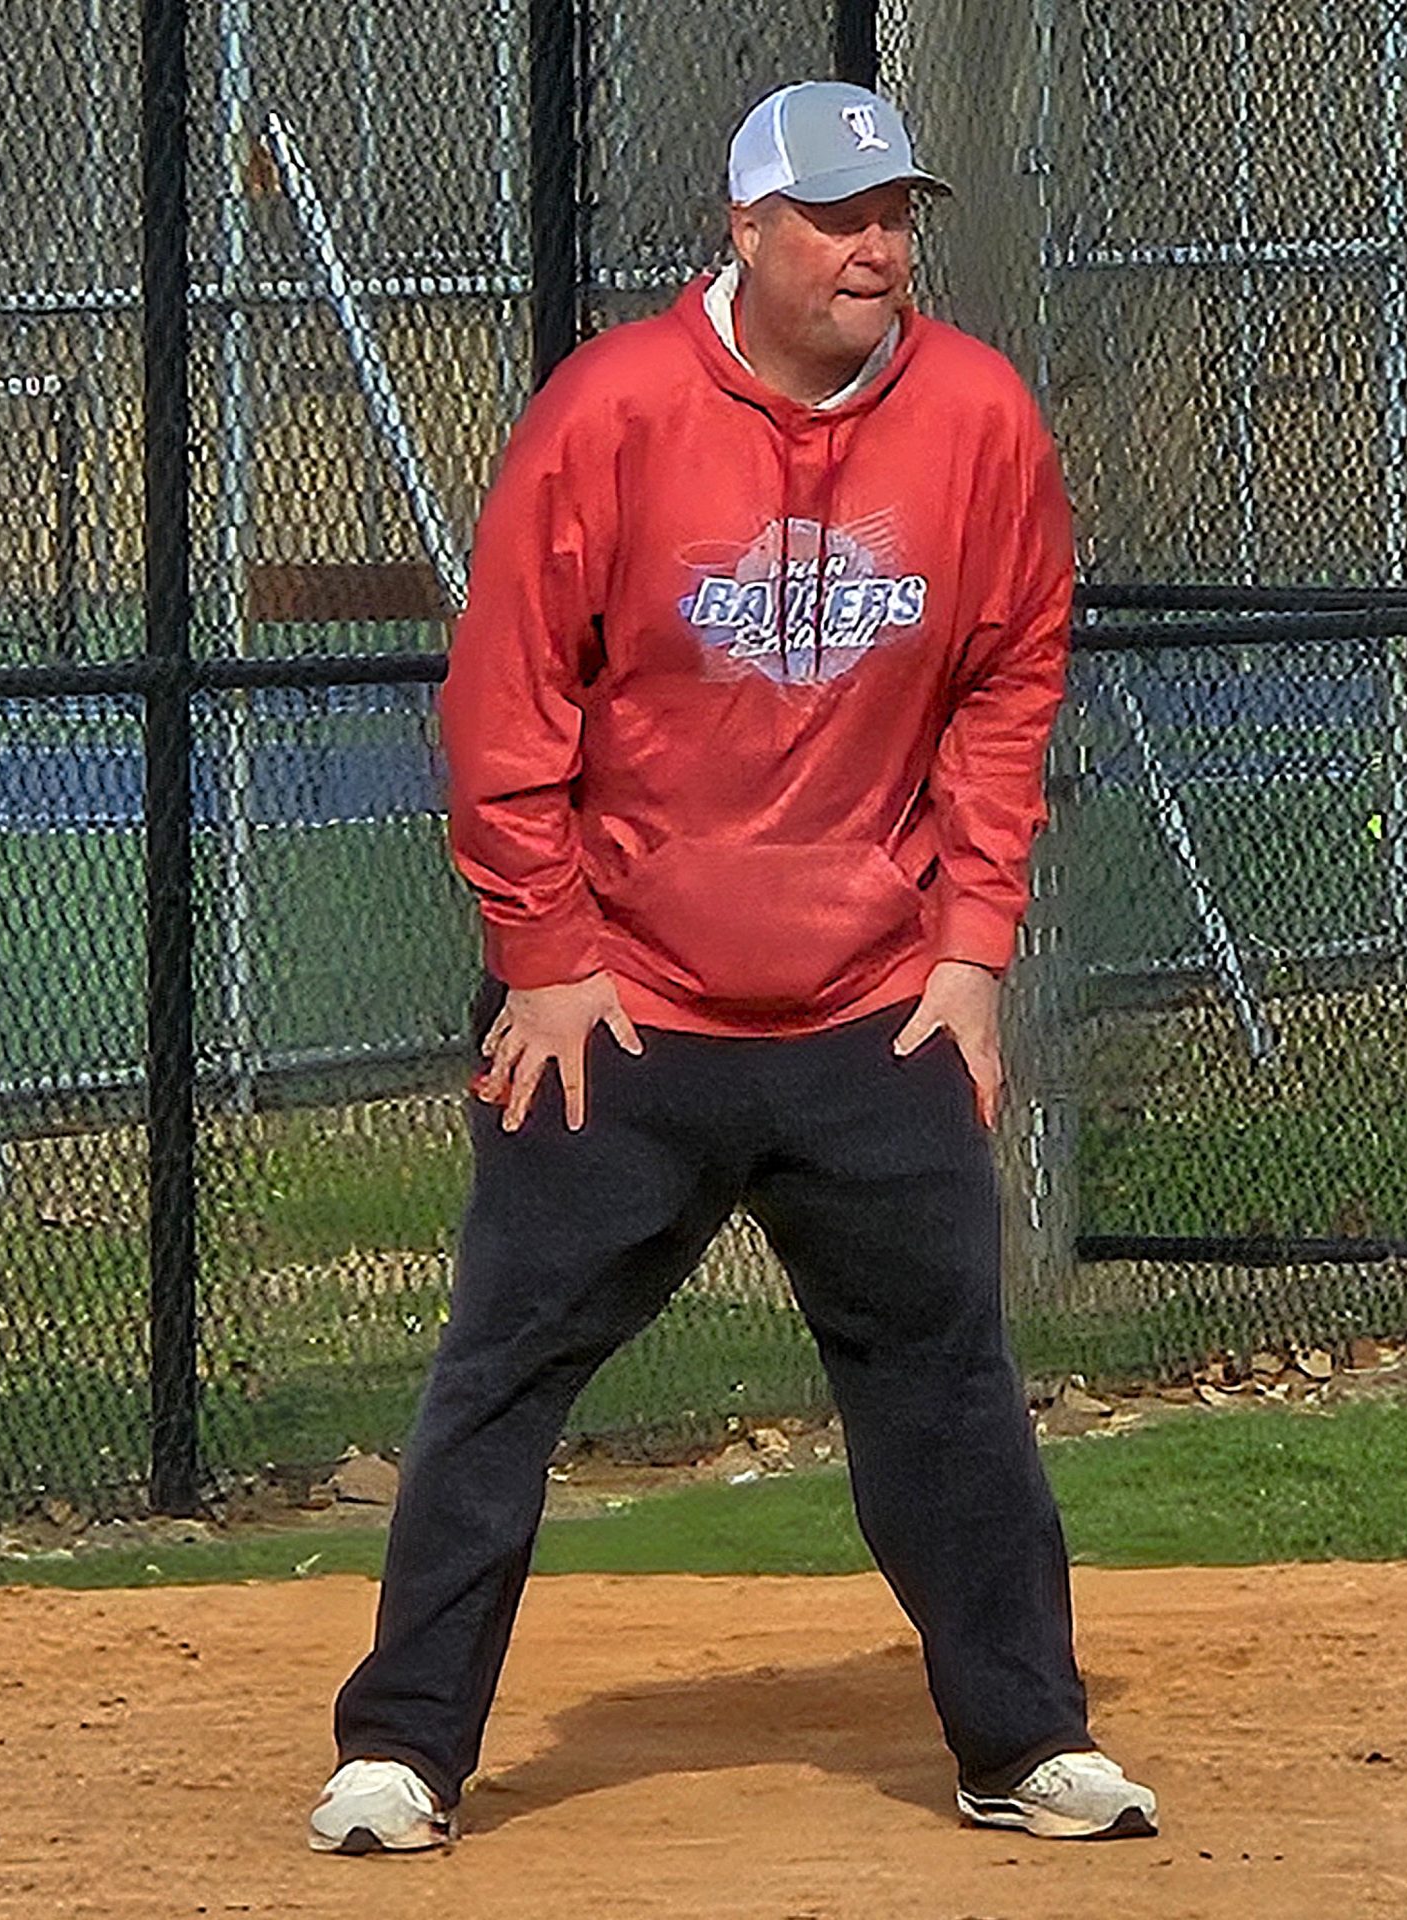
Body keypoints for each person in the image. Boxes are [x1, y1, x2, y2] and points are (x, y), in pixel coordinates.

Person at [309, 79, 1156, 1854]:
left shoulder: (978, 415)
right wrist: (541, 956)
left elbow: (1014, 675)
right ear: (746, 229)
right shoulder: (611, 410)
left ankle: (1026, 1738)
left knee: (947, 1379)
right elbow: (505, 703)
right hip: (620, 1014)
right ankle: (401, 1750)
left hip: (873, 1007)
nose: (877, 249)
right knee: (504, 1372)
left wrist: (976, 945)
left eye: (896, 214)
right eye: (839, 217)